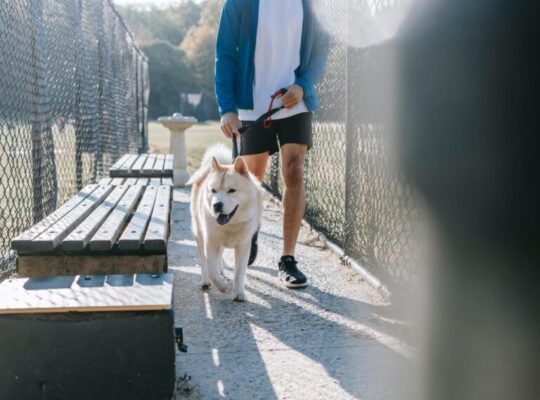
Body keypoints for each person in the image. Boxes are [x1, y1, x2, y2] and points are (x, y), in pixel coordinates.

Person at [215, 0, 329, 288]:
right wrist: (227, 107)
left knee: (295, 171)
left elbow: (320, 49)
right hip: (252, 105)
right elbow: (225, 54)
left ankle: (287, 258)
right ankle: (250, 231)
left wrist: (303, 84)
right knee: (252, 179)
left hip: (295, 102)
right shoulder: (238, 4)